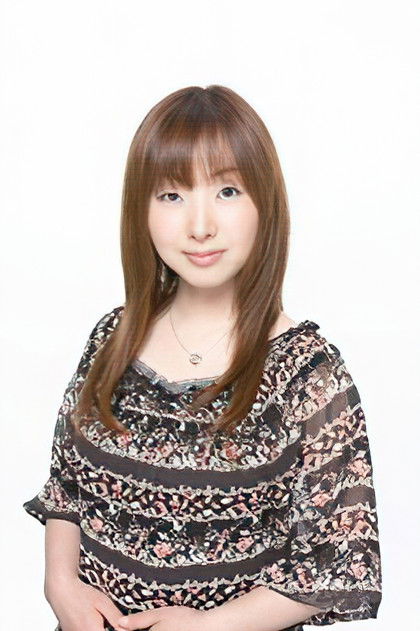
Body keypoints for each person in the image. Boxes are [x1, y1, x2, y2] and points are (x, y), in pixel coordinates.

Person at [23, 85, 382, 631]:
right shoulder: (113, 336)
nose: (199, 225)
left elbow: (339, 560)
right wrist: (60, 583)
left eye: (228, 191)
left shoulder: (307, 373)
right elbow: (67, 483)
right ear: (140, 210)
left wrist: (207, 626)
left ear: (265, 203)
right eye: (171, 195)